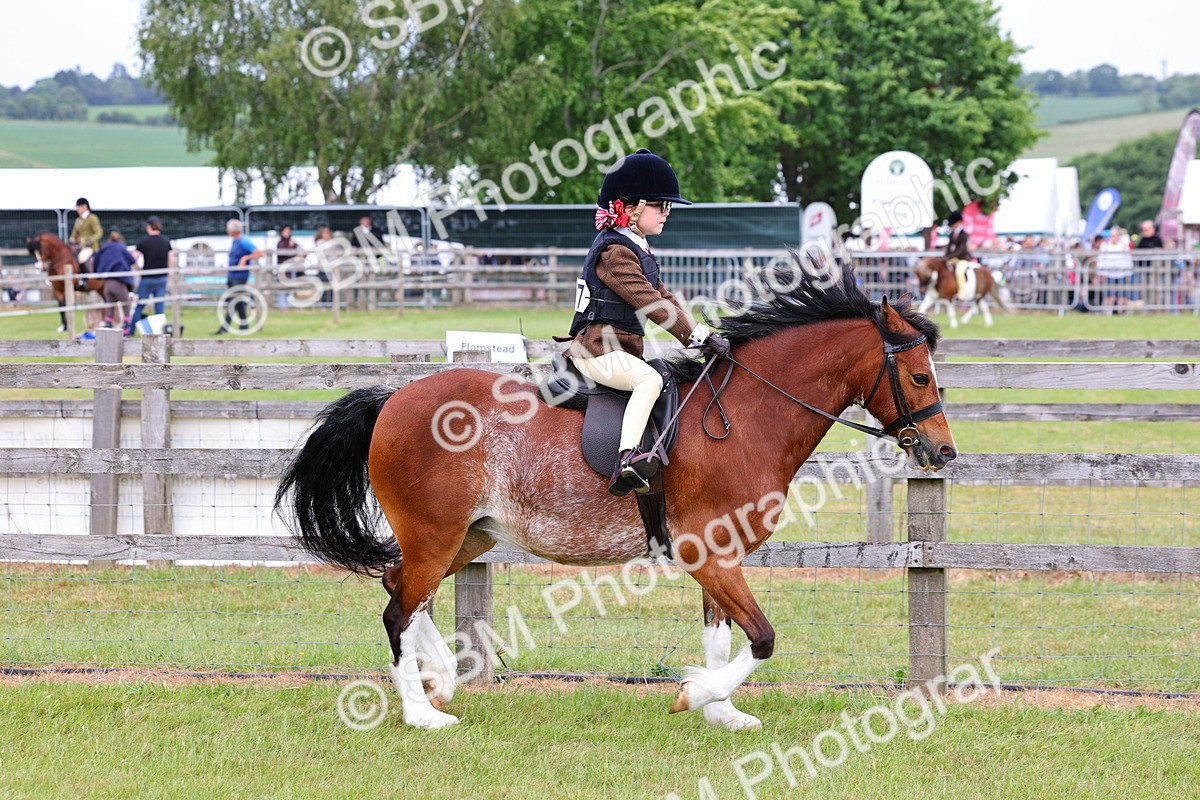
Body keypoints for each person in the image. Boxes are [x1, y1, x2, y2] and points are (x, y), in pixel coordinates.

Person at [562, 148, 730, 496]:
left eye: (667, 206)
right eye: (659, 205)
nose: (667, 213)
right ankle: (627, 459)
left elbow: (665, 297)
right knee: (648, 379)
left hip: (619, 349)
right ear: (630, 208)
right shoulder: (615, 253)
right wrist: (697, 337)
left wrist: (702, 336)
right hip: (596, 351)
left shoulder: (637, 247)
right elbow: (651, 303)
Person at [214, 219, 264, 334]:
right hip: (232, 275)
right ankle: (244, 325)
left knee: (233, 300)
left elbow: (259, 253)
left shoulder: (244, 241)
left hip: (240, 276)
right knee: (238, 301)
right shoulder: (235, 241)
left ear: (233, 230)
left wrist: (245, 258)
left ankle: (224, 328)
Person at [126, 216, 174, 335]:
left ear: (149, 227)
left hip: (147, 278)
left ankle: (131, 331)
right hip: (161, 278)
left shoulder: (144, 241)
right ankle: (161, 333)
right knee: (159, 307)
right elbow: (171, 258)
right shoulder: (166, 241)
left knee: (139, 306)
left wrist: (138, 269)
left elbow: (133, 257)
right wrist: (168, 272)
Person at [91, 231, 136, 330]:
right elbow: (132, 260)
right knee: (126, 304)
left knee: (110, 306)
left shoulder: (104, 248)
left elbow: (95, 259)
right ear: (120, 239)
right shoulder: (121, 247)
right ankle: (126, 325)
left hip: (107, 284)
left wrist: (97, 272)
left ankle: (108, 324)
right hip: (118, 282)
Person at [68, 197, 103, 268]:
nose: (77, 209)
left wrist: (90, 240)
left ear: (85, 206)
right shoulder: (77, 220)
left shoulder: (92, 218)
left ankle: (87, 274)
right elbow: (74, 234)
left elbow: (99, 232)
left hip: (91, 247)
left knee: (82, 257)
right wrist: (72, 240)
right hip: (79, 247)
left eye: (78, 207)